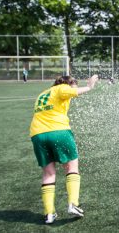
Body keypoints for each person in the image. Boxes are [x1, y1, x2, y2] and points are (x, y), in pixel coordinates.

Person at [30, 74, 99, 224]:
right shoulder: (62, 88)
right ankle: (73, 203)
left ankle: (49, 213)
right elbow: (70, 92)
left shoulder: (43, 93)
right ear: (68, 83)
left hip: (37, 135)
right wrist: (89, 86)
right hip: (58, 132)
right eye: (74, 84)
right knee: (71, 166)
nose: (75, 87)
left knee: (48, 173)